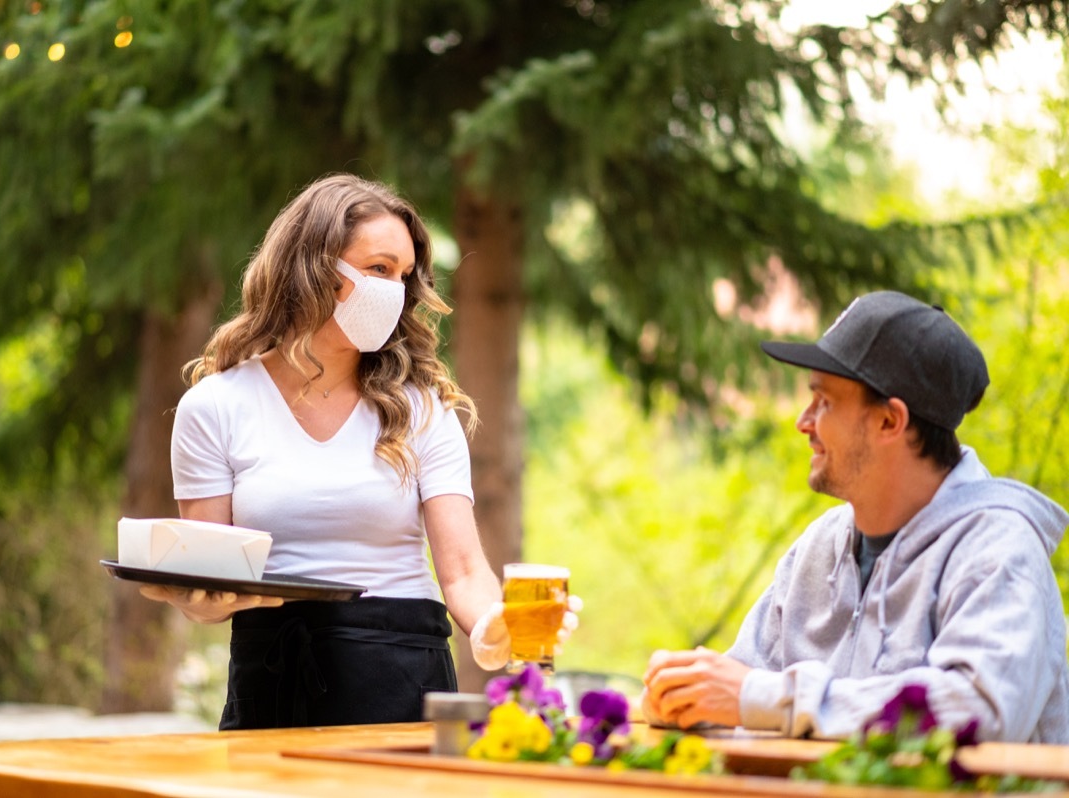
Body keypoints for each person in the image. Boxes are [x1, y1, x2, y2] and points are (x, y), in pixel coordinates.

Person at [139, 173, 577, 729]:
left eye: (403, 275)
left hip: (403, 676)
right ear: (314, 267)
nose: (395, 290)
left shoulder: (423, 410)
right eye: (378, 269)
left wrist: (497, 627)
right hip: (273, 680)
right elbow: (214, 587)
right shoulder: (216, 406)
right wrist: (185, 593)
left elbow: (464, 570)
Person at [641, 290, 1069, 743]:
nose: (803, 422)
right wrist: (683, 696)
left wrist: (763, 699)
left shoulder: (998, 549)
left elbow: (978, 713)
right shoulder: (818, 547)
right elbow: (741, 687)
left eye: (823, 402)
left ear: (890, 422)